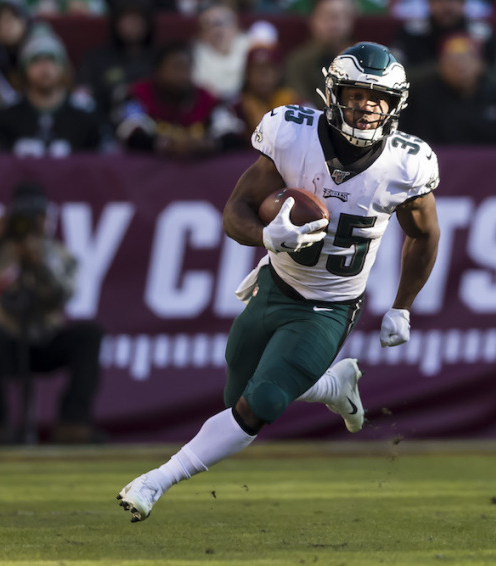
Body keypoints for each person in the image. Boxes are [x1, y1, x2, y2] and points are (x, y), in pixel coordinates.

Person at [117, 42, 441, 522]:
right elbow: (235, 212)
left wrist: (402, 305)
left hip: (330, 305)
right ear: (332, 92)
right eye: (355, 93)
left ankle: (154, 482)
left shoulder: (406, 163)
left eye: (379, 98)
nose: (366, 106)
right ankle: (334, 386)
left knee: (262, 402)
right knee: (239, 398)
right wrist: (267, 236)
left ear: (396, 105)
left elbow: (425, 234)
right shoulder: (293, 134)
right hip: (275, 284)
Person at [0, 182, 104, 444]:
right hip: (4, 341)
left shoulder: (54, 253)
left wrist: (38, 264)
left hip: (43, 339)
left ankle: (73, 423)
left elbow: (64, 293)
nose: (30, 223)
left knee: (90, 334)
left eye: (36, 217)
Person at [0, 31, 112, 156]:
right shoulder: (7, 113)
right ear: (24, 69)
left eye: (51, 59)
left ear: (64, 67)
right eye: (36, 60)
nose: (44, 67)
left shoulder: (87, 112)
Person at [115, 41, 244, 157]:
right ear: (157, 71)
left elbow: (232, 131)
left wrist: (209, 144)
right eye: (176, 67)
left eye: (187, 68)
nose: (183, 74)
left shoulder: (207, 99)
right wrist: (167, 145)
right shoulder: (137, 95)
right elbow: (129, 132)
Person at [399, 33, 496, 146]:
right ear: (440, 66)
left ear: (480, 64)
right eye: (452, 59)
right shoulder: (424, 98)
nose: (460, 65)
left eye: (467, 58)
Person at [390, 0, 496, 84]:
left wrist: (476, 68)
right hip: (424, 105)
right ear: (429, 4)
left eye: (453, 0)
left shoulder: (482, 34)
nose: (446, 6)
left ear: (463, 4)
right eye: (439, 1)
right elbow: (393, 75)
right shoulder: (410, 33)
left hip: (475, 105)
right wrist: (440, 69)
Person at [75, 0, 157, 125]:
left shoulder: (159, 59)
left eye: (138, 20)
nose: (133, 25)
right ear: (116, 23)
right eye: (127, 20)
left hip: (155, 127)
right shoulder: (96, 59)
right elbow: (84, 98)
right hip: (106, 126)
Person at [283, 0, 356, 107]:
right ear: (313, 20)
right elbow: (297, 100)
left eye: (341, 16)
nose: (334, 23)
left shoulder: (360, 60)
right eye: (327, 16)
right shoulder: (297, 61)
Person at [233, 44, 306, 143]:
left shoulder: (296, 103)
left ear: (279, 72)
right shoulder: (237, 108)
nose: (262, 76)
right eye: (256, 70)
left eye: (267, 69)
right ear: (247, 74)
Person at [191, 0, 249, 101]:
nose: (218, 30)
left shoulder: (249, 46)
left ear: (236, 26)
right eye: (210, 25)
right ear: (202, 32)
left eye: (222, 23)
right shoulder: (194, 55)